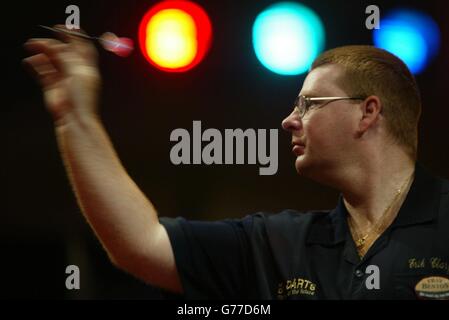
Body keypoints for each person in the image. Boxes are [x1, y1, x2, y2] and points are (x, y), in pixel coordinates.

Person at [23, 26, 449, 300]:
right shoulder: (278, 243)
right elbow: (141, 244)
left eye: (309, 104)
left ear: (368, 112)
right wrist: (74, 118)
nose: (288, 121)